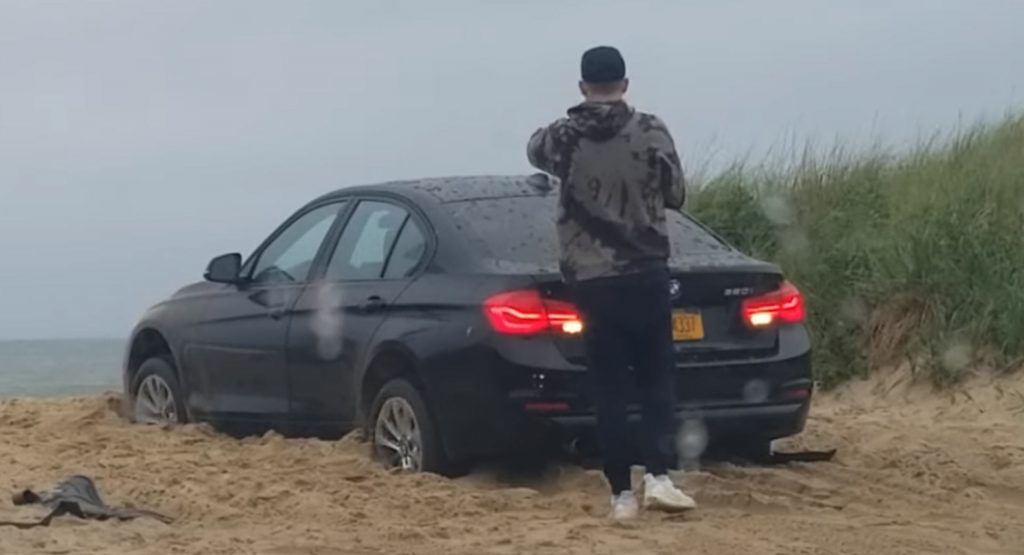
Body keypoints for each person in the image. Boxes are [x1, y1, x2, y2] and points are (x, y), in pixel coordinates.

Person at [527, 46, 696, 520]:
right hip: (646, 271)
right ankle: (659, 475)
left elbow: (533, 148)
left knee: (609, 389)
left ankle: (620, 494)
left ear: (583, 86)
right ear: (625, 84)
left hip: (592, 280)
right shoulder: (651, 129)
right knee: (656, 379)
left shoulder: (562, 137)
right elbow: (676, 194)